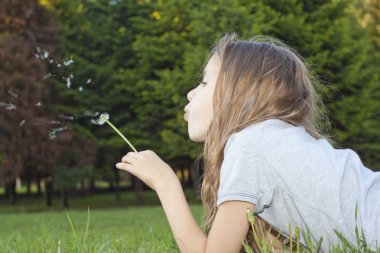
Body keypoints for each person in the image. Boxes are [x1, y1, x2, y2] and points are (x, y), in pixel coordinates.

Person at [115, 33, 380, 253]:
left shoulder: (250, 145)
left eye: (205, 82)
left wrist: (166, 183)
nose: (191, 92)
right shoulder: (271, 143)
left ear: (239, 94)